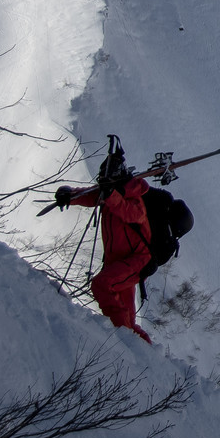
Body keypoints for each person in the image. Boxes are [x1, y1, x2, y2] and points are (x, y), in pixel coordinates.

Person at [55, 137, 154, 344]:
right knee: (127, 316)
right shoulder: (110, 193)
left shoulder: (134, 197)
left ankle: (122, 341)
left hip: (136, 260)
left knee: (102, 285)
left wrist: (110, 195)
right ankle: (146, 352)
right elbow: (91, 195)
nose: (104, 187)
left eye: (107, 184)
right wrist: (69, 195)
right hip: (117, 261)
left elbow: (131, 214)